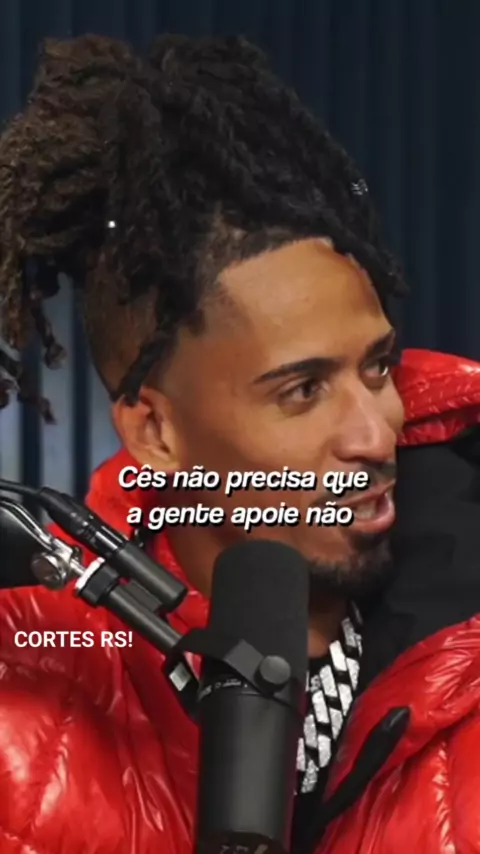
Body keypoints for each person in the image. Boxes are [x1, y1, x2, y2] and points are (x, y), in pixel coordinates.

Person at [0, 32, 479, 854]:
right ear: (156, 431)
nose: (377, 431)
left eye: (377, 367)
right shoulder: (31, 697)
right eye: (302, 391)